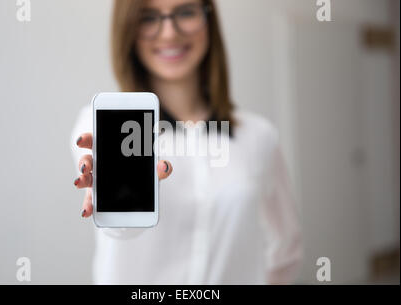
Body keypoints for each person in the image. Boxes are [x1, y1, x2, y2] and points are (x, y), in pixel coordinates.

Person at [71, 0, 302, 284]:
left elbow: (286, 248)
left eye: (186, 12)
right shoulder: (100, 125)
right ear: (128, 29)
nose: (169, 33)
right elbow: (122, 230)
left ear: (209, 19)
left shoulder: (258, 135)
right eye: (148, 17)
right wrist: (110, 200)